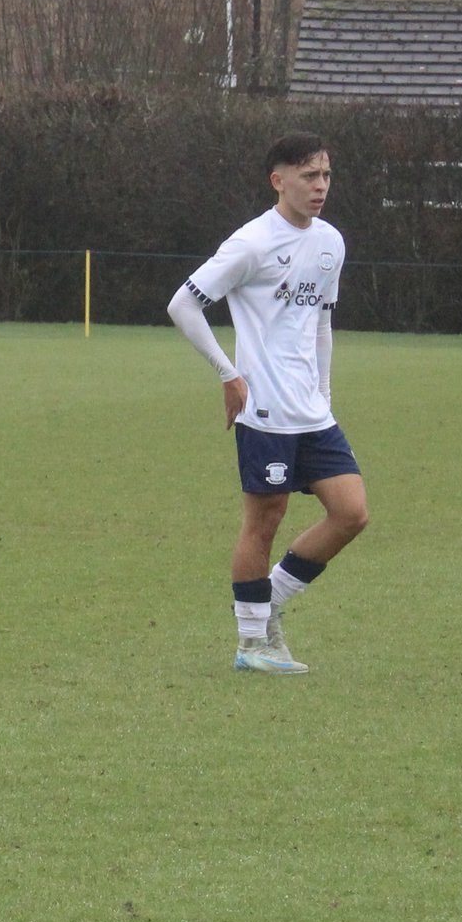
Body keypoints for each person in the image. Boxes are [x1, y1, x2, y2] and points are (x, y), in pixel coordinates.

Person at [167, 131, 368, 674]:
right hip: (265, 410)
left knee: (351, 513)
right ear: (279, 181)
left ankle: (267, 601)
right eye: (308, 176)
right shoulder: (252, 243)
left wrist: (325, 397)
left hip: (312, 413)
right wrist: (229, 375)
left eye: (325, 175)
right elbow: (183, 305)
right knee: (264, 522)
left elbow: (322, 321)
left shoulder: (331, 242)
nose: (320, 186)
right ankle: (252, 643)